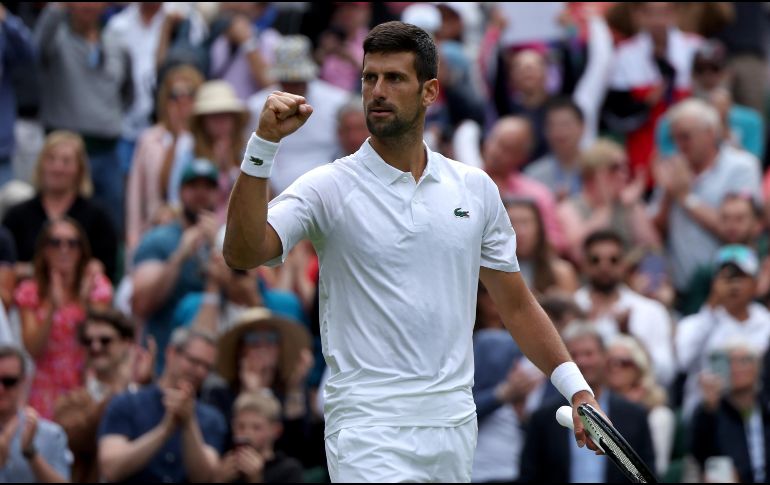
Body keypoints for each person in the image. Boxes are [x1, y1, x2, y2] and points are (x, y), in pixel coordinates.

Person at [224, 21, 605, 482]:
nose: (378, 91)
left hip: (453, 427)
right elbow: (243, 253)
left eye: (394, 78)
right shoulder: (328, 186)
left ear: (430, 92)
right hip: (367, 427)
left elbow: (517, 305)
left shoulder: (475, 188)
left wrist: (577, 389)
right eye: (369, 78)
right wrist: (262, 146)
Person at [651, 98, 762, 309]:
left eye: (686, 137)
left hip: (729, 289)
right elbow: (657, 231)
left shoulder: (742, 167)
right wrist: (668, 194)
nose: (679, 146)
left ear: (710, 133)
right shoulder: (675, 168)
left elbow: (739, 230)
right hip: (680, 290)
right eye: (675, 139)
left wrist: (686, 198)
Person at [33, 2, 133, 232]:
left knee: (110, 226)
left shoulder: (117, 43)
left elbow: (127, 94)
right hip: (62, 155)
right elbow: (36, 49)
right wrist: (56, 8)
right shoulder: (55, 39)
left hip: (108, 153)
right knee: (57, 230)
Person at [520, 323, 655, 483]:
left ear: (604, 356)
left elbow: (645, 472)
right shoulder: (543, 417)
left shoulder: (634, 414)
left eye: (588, 353)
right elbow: (530, 474)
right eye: (573, 355)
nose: (582, 361)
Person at [14, 217, 113, 419]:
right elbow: (33, 348)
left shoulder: (96, 286)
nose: (64, 249)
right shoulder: (30, 291)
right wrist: (52, 307)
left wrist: (85, 305)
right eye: (55, 243)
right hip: (44, 390)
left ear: (81, 250)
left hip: (85, 386)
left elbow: (100, 342)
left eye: (72, 243)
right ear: (45, 250)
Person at [98, 327, 226, 483]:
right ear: (171, 353)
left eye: (207, 367)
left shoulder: (212, 419)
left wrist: (188, 422)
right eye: (194, 362)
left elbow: (205, 478)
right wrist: (164, 430)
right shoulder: (127, 403)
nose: (200, 372)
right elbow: (111, 469)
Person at [131, 157, 220, 372]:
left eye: (208, 187)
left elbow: (251, 297)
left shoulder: (226, 240)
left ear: (218, 194)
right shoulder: (158, 240)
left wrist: (217, 248)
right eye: (193, 186)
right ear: (180, 192)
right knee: (192, 304)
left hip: (216, 358)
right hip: (165, 358)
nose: (200, 193)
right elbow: (141, 305)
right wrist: (180, 256)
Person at [53, 308, 154, 482]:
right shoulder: (70, 402)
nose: (95, 347)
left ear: (127, 343)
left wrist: (142, 385)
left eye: (105, 340)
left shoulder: (145, 396)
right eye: (88, 341)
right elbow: (76, 440)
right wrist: (118, 391)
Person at [2, 131, 118, 281]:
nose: (57, 168)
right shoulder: (17, 215)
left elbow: (107, 268)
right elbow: (5, 265)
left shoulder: (98, 217)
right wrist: (37, 270)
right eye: (51, 159)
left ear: (80, 169)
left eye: (66, 162)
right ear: (41, 165)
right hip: (25, 292)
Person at [247, 35, 350, 196]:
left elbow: (347, 150)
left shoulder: (338, 102)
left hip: (329, 192)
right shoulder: (256, 106)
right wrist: (264, 190)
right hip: (272, 196)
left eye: (299, 80)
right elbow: (251, 153)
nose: (293, 86)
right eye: (287, 80)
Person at [677, 244, 770, 419]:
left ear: (755, 283)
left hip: (760, 416)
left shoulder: (767, 322)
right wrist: (711, 307)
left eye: (740, 277)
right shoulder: (695, 323)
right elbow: (683, 362)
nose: (734, 285)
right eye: (726, 277)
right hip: (707, 417)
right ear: (714, 283)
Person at [573, 229, 676, 387]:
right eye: (595, 260)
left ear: (624, 264)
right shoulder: (572, 307)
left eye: (613, 260)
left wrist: (629, 338)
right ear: (584, 264)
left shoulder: (651, 310)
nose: (604, 267)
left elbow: (665, 373)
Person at [125, 63, 205, 258]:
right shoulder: (149, 139)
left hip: (200, 234)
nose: (182, 102)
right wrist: (133, 242)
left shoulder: (205, 139)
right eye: (175, 95)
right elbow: (135, 197)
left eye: (189, 94)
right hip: (154, 231)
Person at [558, 139, 659, 264]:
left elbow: (654, 251)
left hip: (629, 275)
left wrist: (634, 206)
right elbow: (577, 253)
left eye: (625, 167)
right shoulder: (568, 209)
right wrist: (606, 207)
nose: (624, 174)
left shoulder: (629, 205)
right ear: (593, 173)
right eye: (615, 168)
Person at [691, 339, 770, 483]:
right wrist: (709, 410)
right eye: (729, 362)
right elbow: (700, 454)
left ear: (757, 366)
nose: (736, 368)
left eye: (744, 361)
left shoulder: (766, 407)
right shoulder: (711, 410)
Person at [0, 344, 72, 482]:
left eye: (9, 382)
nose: (0, 389)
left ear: (23, 382)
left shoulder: (50, 434)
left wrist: (30, 452)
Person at [606, 335, 676, 477]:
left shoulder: (658, 414)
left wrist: (630, 411)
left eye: (624, 363)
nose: (615, 367)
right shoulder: (598, 404)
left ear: (639, 367)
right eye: (609, 362)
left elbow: (656, 467)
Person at [215, 391, 305, 483]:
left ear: (276, 431)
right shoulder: (226, 467)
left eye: (256, 427)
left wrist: (255, 479)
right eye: (241, 426)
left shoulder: (288, 470)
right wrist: (220, 480)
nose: (247, 433)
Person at [505, 197, 578, 296]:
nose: (520, 231)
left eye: (525, 222)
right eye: (511, 223)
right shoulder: (491, 271)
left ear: (539, 227)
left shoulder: (560, 272)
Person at [524, 97, 586, 201]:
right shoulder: (533, 175)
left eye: (566, 124)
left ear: (582, 127)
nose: (560, 132)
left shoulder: (600, 169)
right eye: (553, 125)